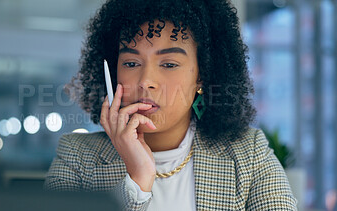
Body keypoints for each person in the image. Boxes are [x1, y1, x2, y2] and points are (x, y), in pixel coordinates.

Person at [44, 0, 298, 210]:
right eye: (131, 63)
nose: (146, 82)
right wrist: (137, 181)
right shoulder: (77, 157)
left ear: (202, 75)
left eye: (169, 64)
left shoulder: (248, 155)